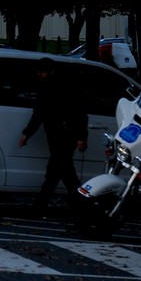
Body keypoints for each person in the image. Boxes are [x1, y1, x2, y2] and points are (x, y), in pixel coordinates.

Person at [18, 57, 88, 212]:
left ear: (50, 72)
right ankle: (79, 204)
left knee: (61, 173)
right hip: (63, 135)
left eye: (42, 72)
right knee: (60, 172)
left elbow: (40, 113)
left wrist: (27, 134)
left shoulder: (55, 88)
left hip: (62, 135)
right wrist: (81, 136)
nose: (39, 75)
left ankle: (42, 207)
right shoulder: (61, 86)